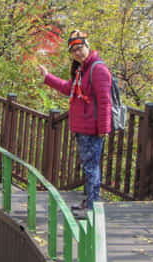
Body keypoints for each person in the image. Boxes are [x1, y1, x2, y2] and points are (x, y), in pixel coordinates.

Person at [38, 30, 112, 218]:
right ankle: (89, 202)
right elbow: (68, 88)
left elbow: (105, 101)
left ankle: (92, 207)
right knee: (88, 167)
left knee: (91, 168)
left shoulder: (98, 69)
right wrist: (48, 77)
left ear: (88, 46)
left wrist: (104, 128)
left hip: (92, 129)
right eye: (74, 50)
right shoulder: (82, 70)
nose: (78, 53)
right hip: (82, 128)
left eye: (80, 48)